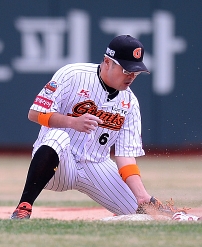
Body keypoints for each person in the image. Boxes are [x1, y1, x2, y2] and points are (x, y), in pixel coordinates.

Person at [11, 35, 158, 219]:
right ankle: (24, 207)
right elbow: (35, 113)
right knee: (59, 136)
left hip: (96, 165)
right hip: (59, 164)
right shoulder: (73, 74)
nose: (131, 76)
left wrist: (141, 195)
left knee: (143, 214)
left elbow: (125, 156)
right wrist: (72, 122)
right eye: (127, 70)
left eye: (136, 72)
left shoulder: (130, 102)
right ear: (107, 62)